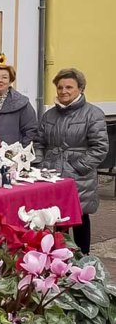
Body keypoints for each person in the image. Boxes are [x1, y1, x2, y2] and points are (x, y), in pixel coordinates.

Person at [34, 68, 109, 254]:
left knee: (80, 217)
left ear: (80, 89)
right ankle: (59, 257)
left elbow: (100, 148)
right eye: (60, 87)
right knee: (56, 218)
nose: (63, 91)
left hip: (79, 176)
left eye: (69, 87)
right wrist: (40, 165)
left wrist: (77, 167)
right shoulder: (49, 115)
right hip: (52, 175)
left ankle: (83, 256)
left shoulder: (93, 114)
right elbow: (38, 143)